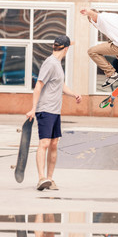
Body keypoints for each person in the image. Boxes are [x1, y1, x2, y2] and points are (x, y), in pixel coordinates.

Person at [26, 35, 82, 191]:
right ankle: (41, 178)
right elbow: (38, 86)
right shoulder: (50, 63)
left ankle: (50, 180)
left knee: (54, 144)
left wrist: (74, 94)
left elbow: (61, 85)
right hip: (45, 109)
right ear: (66, 48)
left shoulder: (57, 64)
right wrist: (33, 108)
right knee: (44, 143)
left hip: (55, 110)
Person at [80, 9, 118, 87]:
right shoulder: (113, 16)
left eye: (91, 23)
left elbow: (94, 15)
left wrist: (88, 12)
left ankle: (111, 74)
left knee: (91, 51)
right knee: (112, 42)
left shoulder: (99, 19)